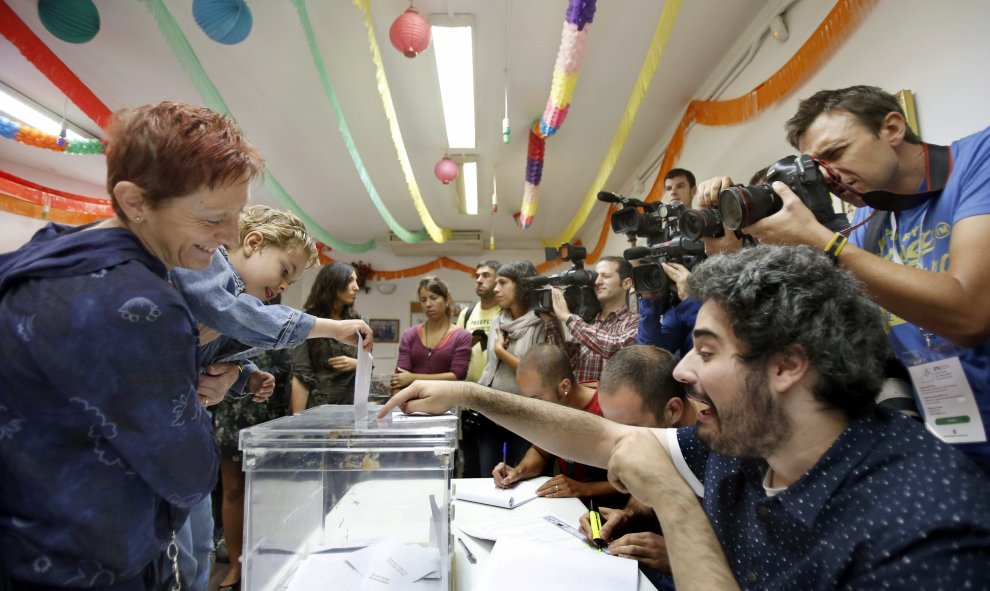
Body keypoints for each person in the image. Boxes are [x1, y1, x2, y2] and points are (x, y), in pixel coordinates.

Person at [379, 244, 990, 590]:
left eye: (706, 350)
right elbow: (608, 436)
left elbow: (645, 466)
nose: (682, 372)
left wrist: (674, 502)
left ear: (787, 366)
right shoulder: (746, 439)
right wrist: (472, 397)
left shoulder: (923, 530)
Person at [0, 101, 257, 589]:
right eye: (211, 219)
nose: (230, 237)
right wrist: (203, 398)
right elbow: (188, 473)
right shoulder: (140, 304)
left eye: (237, 214)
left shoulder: (48, 251)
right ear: (135, 202)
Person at [698, 85, 990, 470]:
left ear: (892, 128)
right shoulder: (871, 222)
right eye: (819, 167)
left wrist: (825, 243)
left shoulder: (977, 160)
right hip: (956, 439)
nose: (831, 177)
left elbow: (968, 314)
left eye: (836, 153)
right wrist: (737, 234)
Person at [579, 345, 696, 590]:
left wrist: (682, 556)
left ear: (673, 409)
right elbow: (650, 492)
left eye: (629, 429)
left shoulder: (722, 450)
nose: (620, 446)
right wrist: (628, 514)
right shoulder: (659, 431)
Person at [491, 344, 624, 506]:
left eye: (537, 399)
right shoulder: (551, 409)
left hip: (610, 514)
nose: (533, 407)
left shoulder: (611, 412)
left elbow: (637, 483)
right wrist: (517, 472)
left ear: (564, 387)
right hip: (569, 508)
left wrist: (583, 489)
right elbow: (541, 452)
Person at [473, 260, 547, 475]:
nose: (496, 289)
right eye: (495, 283)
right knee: (487, 476)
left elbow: (535, 376)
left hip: (525, 415)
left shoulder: (541, 322)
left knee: (521, 477)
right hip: (491, 411)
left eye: (502, 283)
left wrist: (502, 352)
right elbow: (490, 370)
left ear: (521, 285)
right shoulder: (498, 321)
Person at [544, 256, 638, 382]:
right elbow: (563, 365)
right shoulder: (587, 322)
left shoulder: (635, 321)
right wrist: (551, 322)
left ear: (626, 283)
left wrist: (568, 318)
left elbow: (615, 347)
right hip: (581, 400)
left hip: (612, 401)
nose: (597, 282)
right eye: (596, 276)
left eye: (605, 276)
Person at [290, 262, 363, 411]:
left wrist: (356, 363)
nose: (356, 287)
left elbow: (369, 364)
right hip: (318, 408)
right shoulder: (306, 321)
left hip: (351, 407)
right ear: (333, 283)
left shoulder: (358, 323)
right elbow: (302, 375)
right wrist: (297, 425)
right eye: (350, 280)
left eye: (356, 281)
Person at [391, 276, 472, 392]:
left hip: (446, 404)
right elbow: (400, 378)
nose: (428, 304)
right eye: (423, 300)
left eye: (433, 298)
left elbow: (457, 376)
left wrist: (413, 378)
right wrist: (398, 407)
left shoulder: (462, 336)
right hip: (412, 403)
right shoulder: (410, 335)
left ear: (447, 300)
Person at [456, 261, 501, 383]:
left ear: (498, 280)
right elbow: (455, 351)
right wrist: (467, 344)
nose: (479, 280)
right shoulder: (466, 314)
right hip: (468, 389)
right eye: (477, 276)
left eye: (485, 275)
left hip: (498, 390)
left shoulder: (505, 313)